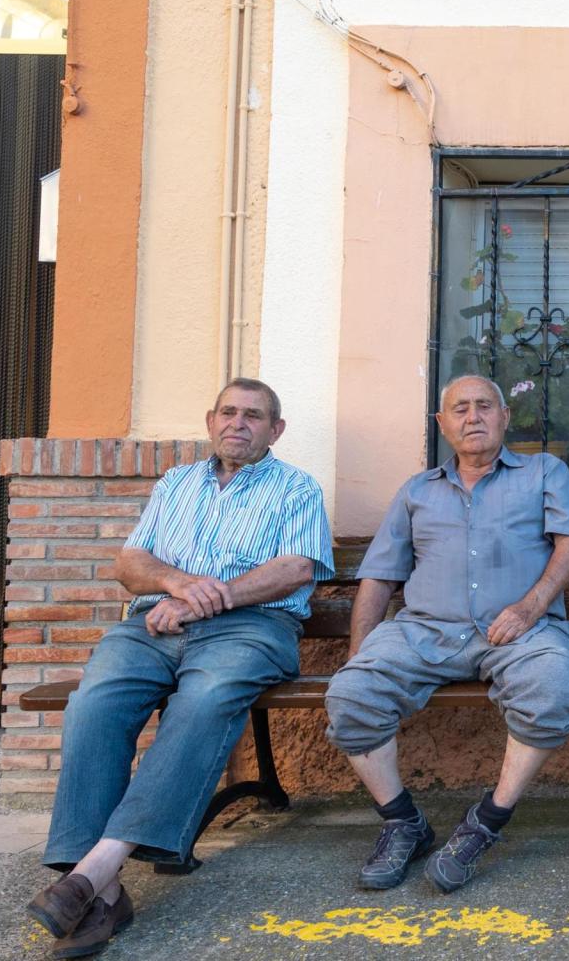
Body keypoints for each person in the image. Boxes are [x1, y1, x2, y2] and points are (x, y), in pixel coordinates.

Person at [26, 378, 333, 958]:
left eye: (254, 416)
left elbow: (295, 570)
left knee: (205, 698)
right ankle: (104, 888)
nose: (238, 423)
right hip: (152, 625)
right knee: (93, 703)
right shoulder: (176, 482)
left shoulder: (297, 488)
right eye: (229, 412)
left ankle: (92, 875)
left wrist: (196, 600)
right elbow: (131, 563)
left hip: (251, 627)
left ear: (276, 429)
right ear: (211, 419)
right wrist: (175, 584)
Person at [323, 374, 569, 893]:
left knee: (553, 686)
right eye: (460, 409)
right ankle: (403, 822)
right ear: (442, 425)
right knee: (351, 694)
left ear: (505, 417)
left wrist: (529, 607)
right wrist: (358, 654)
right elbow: (380, 576)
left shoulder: (543, 472)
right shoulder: (416, 491)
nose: (473, 417)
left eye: (484, 406)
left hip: (520, 632)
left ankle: (487, 822)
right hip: (423, 631)